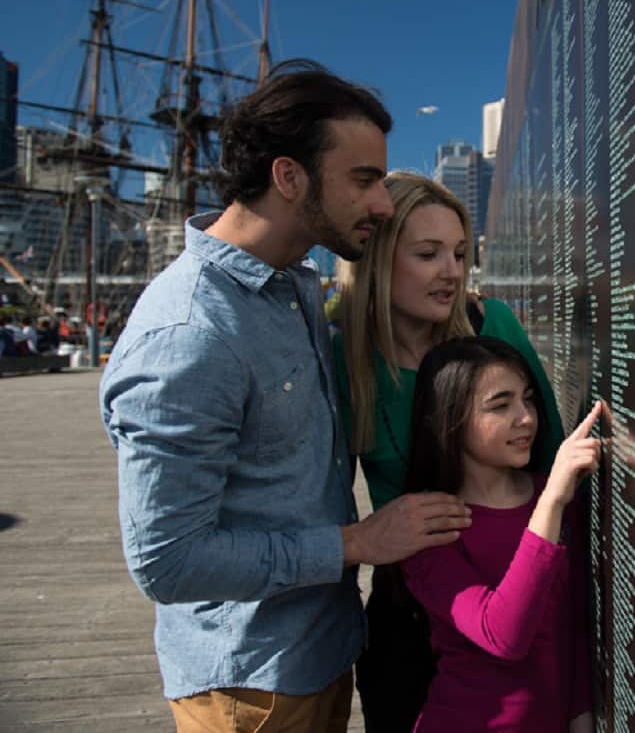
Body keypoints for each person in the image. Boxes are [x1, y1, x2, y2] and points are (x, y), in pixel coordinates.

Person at [99, 61, 472, 732]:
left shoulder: (293, 289)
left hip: (319, 654)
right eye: (363, 181)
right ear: (289, 177)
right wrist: (357, 542)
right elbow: (167, 561)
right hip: (249, 687)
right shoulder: (190, 333)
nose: (384, 205)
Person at [332, 170, 566, 731]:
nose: (452, 272)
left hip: (510, 589)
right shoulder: (339, 354)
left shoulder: (494, 325)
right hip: (407, 605)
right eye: (428, 254)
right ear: (380, 258)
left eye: (460, 253)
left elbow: (551, 454)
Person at [401, 336, 598, 732]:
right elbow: (503, 633)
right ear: (449, 418)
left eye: (527, 399)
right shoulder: (426, 526)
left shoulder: (554, 498)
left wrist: (580, 720)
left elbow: (572, 628)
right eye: (500, 405)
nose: (525, 417)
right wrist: (551, 503)